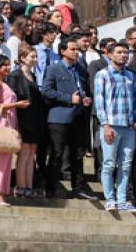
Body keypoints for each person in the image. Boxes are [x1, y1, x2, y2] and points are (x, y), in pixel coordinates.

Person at [41, 37, 96, 200]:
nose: (76, 52)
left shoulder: (80, 69)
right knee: (57, 154)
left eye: (77, 49)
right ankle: (51, 188)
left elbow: (83, 88)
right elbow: (46, 91)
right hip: (59, 117)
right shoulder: (54, 69)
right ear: (63, 51)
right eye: (72, 49)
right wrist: (67, 98)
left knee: (77, 155)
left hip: (78, 116)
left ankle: (78, 187)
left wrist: (85, 98)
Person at [94, 42, 136, 212]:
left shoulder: (131, 76)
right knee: (108, 163)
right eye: (120, 52)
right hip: (111, 125)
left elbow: (134, 100)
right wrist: (105, 125)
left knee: (126, 165)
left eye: (126, 52)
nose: (123, 55)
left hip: (128, 127)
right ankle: (110, 199)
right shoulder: (102, 75)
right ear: (110, 55)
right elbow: (99, 103)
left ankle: (122, 200)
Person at [0, 56, 29, 206]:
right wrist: (16, 104)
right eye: (5, 65)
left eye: (9, 65)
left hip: (7, 123)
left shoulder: (2, 83)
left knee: (5, 161)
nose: (8, 68)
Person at [6, 46, 46, 198]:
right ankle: (20, 185)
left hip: (34, 118)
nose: (35, 59)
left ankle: (29, 186)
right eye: (31, 57)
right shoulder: (15, 75)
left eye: (35, 57)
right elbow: (12, 97)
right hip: (22, 117)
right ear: (22, 57)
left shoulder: (33, 76)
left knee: (31, 153)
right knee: (23, 152)